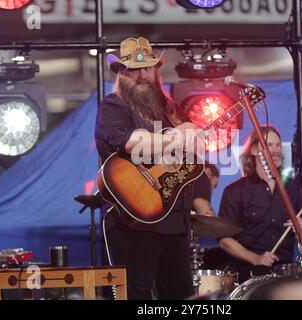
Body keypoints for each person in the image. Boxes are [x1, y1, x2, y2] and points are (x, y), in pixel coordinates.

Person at [95, 37, 204, 300]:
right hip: (134, 220)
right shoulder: (113, 106)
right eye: (134, 69)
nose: (142, 75)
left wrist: (189, 134)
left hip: (174, 221)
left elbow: (194, 138)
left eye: (147, 68)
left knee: (181, 296)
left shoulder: (167, 109)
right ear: (121, 73)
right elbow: (132, 142)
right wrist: (175, 138)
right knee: (136, 295)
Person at [218, 125, 302, 283]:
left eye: (277, 145)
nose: (275, 150)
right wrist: (255, 258)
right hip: (249, 272)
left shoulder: (293, 187)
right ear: (254, 150)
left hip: (285, 270)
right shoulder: (236, 191)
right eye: (269, 145)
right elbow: (224, 239)